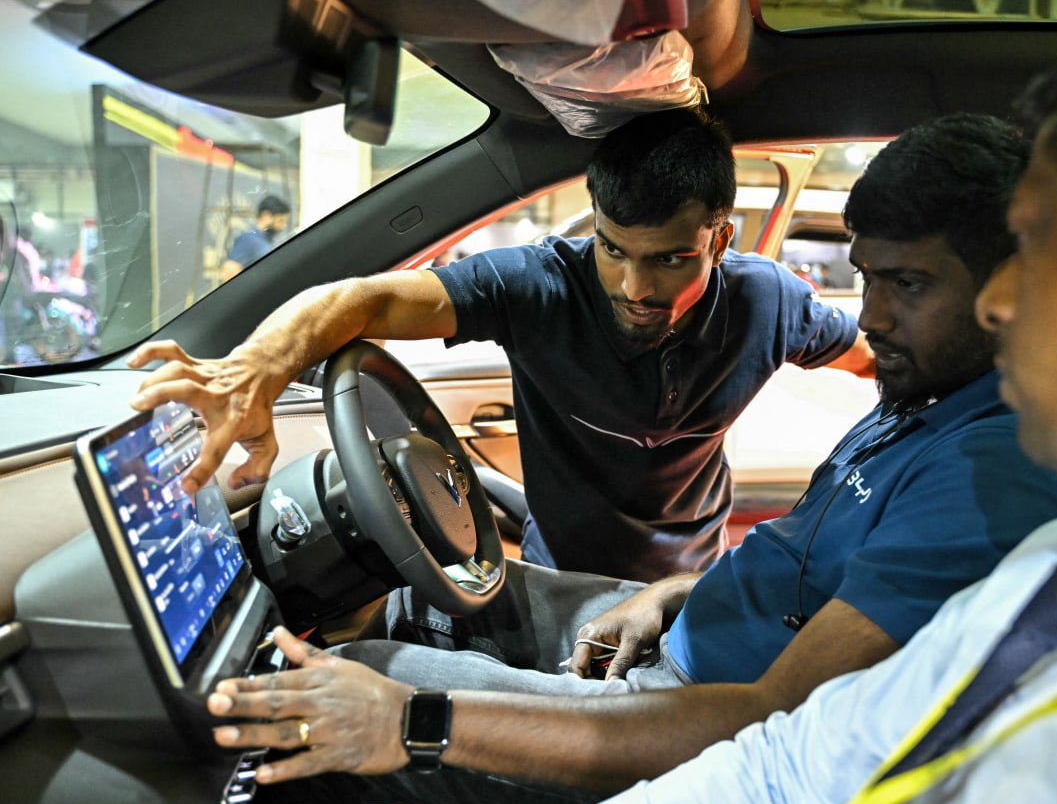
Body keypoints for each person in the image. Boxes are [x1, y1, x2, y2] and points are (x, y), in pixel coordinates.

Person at [191, 113, 1057, 804]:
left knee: (346, 685)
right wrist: (673, 596)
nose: (870, 316)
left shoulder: (996, 473)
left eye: (907, 286)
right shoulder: (929, 391)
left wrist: (411, 718)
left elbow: (769, 729)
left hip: (694, 720)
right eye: (866, 278)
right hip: (677, 627)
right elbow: (365, 298)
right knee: (421, 607)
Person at [527, 0, 1057, 804]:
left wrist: (424, 725)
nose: (1002, 303)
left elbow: (781, 749)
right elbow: (789, 771)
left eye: (1040, 246)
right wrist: (673, 594)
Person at [132, 107, 870, 584]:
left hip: (690, 585)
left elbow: (876, 359)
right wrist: (257, 367)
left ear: (720, 238)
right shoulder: (537, 285)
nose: (634, 286)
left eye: (671, 259)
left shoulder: (768, 301)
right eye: (613, 249)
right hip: (558, 579)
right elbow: (365, 299)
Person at [219, 194, 291, 282]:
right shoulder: (248, 239)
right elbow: (229, 271)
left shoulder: (266, 241)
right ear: (266, 216)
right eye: (280, 221)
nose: (283, 226)